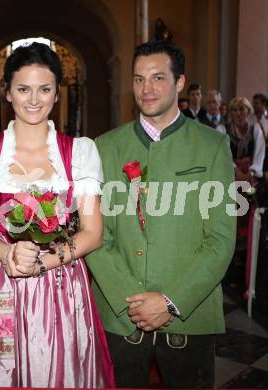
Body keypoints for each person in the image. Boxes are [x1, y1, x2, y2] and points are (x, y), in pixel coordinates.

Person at [0, 43, 114, 388]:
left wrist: (43, 263)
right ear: (7, 92)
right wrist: (7, 252)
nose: (33, 99)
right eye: (23, 89)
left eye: (44, 89)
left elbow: (93, 232)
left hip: (61, 285)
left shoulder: (79, 152)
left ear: (56, 94)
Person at [86, 40, 236, 388]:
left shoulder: (212, 146)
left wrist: (169, 301)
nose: (146, 89)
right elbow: (95, 235)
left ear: (180, 82)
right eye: (138, 79)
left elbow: (220, 240)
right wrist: (133, 301)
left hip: (189, 316)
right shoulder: (105, 148)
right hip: (121, 317)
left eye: (157, 78)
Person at [218, 97, 265, 182]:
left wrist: (250, 173)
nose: (238, 113)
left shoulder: (256, 129)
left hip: (251, 175)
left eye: (242, 109)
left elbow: (260, 154)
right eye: (234, 110)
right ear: (231, 113)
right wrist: (236, 171)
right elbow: (222, 154)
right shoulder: (222, 130)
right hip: (229, 174)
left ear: (248, 111)